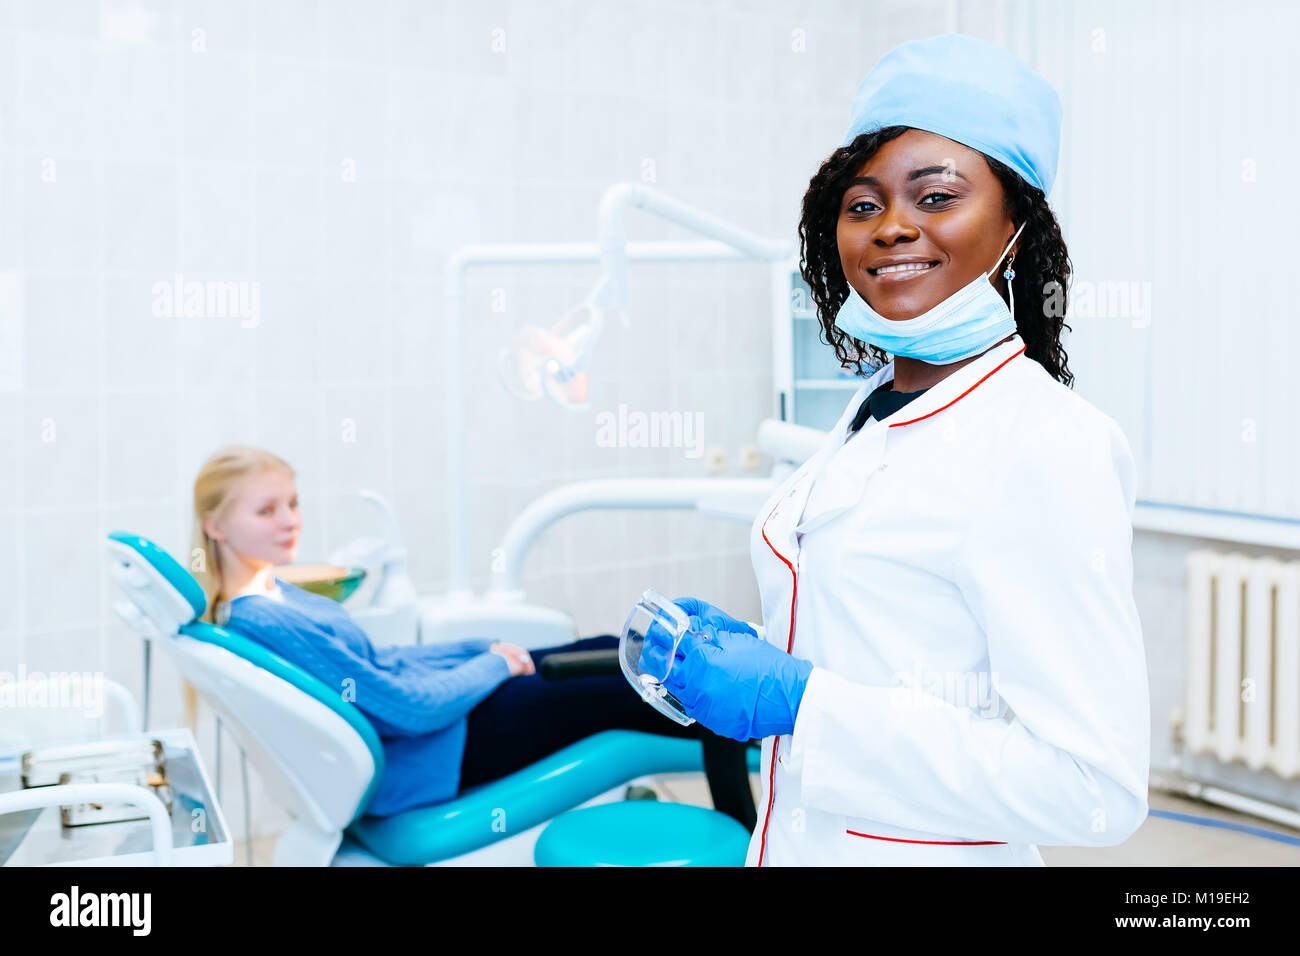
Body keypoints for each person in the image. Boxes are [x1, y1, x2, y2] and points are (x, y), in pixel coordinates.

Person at [652, 33, 1150, 866]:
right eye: (863, 204)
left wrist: (802, 702)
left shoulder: (1048, 445)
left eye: (936, 196)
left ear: (1015, 229)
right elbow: (893, 641)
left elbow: (1092, 787)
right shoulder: (876, 408)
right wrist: (761, 649)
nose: (891, 228)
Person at [190, 445, 702, 817]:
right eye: (267, 510)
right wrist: (495, 664)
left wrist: (481, 649)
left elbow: (385, 662)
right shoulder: (264, 619)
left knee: (602, 649)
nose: (290, 521)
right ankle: (749, 729)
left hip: (439, 732)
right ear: (216, 526)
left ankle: (735, 688)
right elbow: (408, 708)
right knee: (613, 685)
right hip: (433, 753)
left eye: (292, 503)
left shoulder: (278, 593)